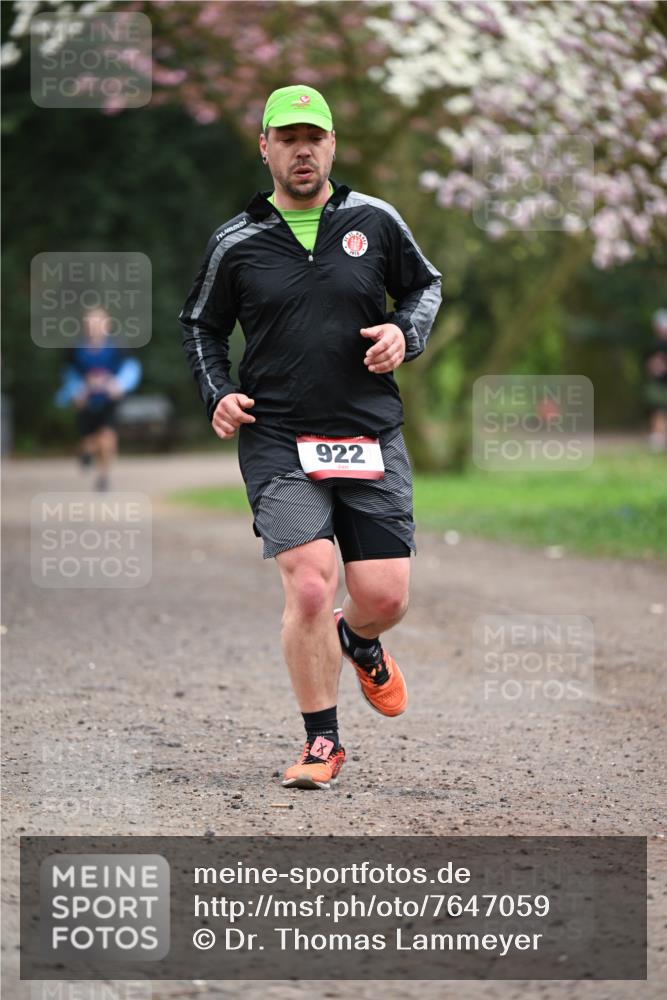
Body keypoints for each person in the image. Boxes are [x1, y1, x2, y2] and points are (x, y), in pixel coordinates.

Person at [179, 85, 442, 789]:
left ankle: (357, 638)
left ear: (332, 145)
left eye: (314, 137)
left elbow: (424, 287)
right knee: (307, 586)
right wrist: (218, 391)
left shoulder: (374, 221)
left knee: (384, 595)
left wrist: (403, 332)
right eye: (287, 138)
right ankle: (321, 743)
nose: (302, 150)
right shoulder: (235, 242)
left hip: (367, 431)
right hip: (278, 434)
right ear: (264, 146)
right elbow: (201, 324)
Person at [55, 306, 142, 490]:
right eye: (91, 323)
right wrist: (76, 391)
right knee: (89, 442)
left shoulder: (118, 347)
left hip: (108, 401)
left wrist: (119, 385)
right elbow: (68, 373)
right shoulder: (75, 349)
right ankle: (85, 452)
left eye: (98, 322)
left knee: (108, 438)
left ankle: (103, 477)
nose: (94, 326)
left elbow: (131, 370)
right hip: (86, 403)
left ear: (107, 324)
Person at [645, 309, 667, 453]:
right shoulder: (656, 344)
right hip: (660, 383)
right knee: (658, 409)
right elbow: (652, 363)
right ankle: (658, 439)